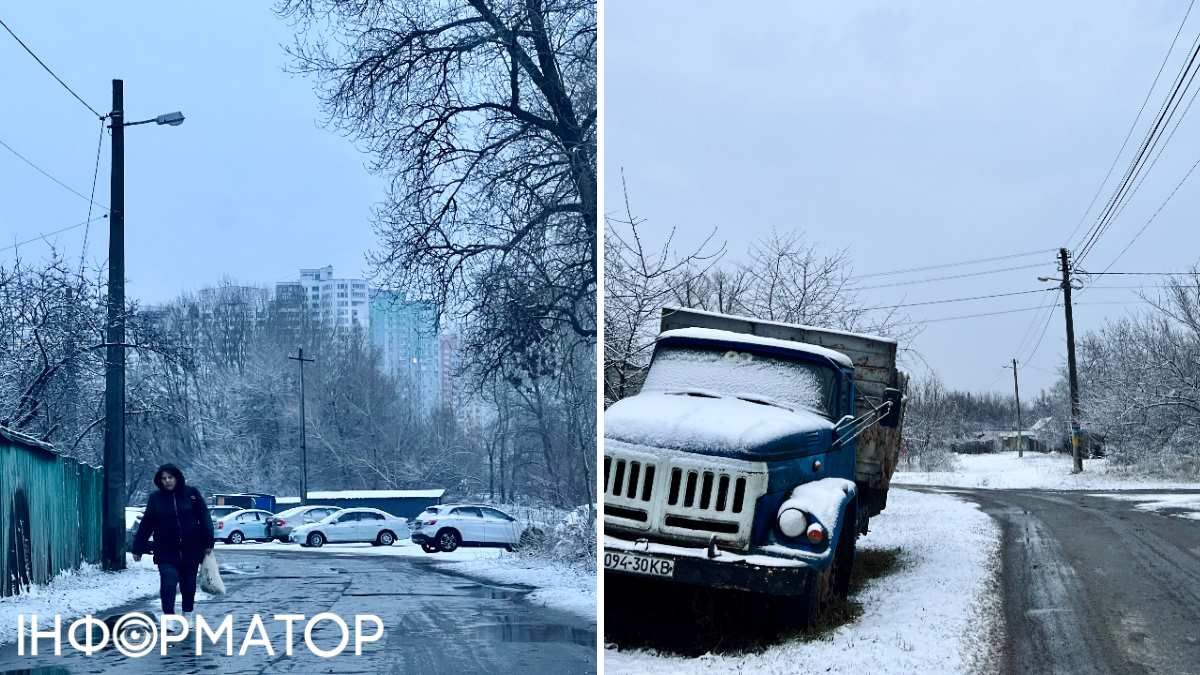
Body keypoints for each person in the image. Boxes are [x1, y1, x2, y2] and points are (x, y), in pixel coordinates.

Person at [131, 464, 215, 616]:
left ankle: (187, 614)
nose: (167, 481)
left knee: (188, 586)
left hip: (191, 549)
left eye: (170, 477)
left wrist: (208, 542)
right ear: (160, 480)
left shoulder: (191, 494)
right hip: (165, 550)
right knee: (168, 583)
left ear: (177, 478)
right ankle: (169, 617)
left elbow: (204, 518)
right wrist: (138, 548)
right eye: (164, 478)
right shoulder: (155, 498)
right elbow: (147, 523)